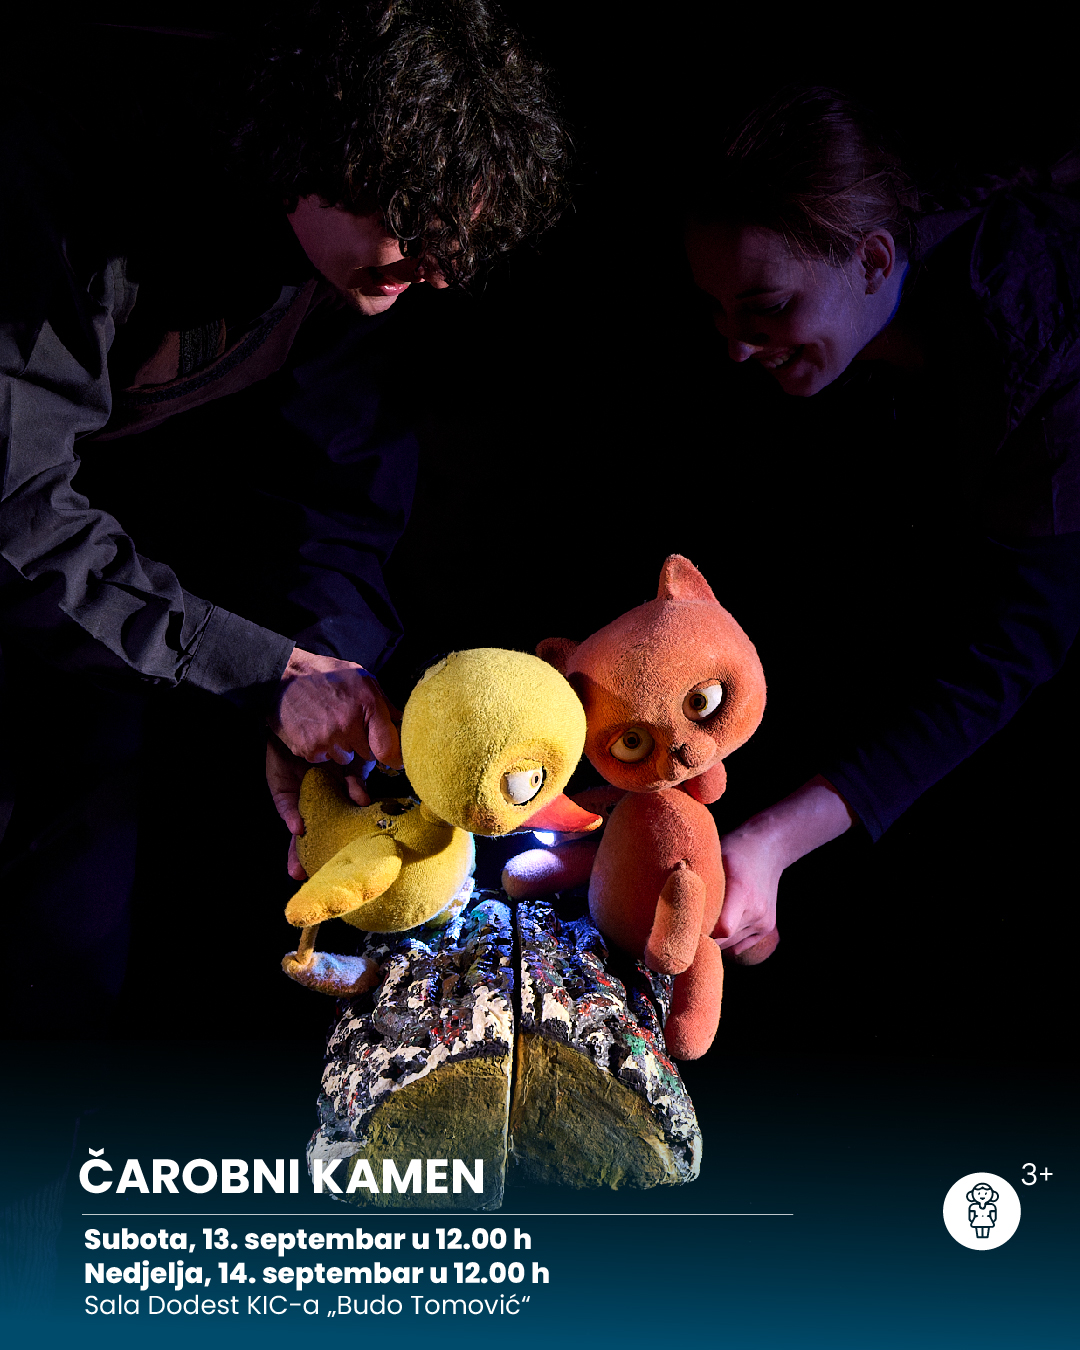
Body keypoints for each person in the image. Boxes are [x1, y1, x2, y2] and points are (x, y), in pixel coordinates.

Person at [0, 3, 569, 1033]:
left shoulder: (359, 272)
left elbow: (343, 491)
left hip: (90, 639)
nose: (437, 269)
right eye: (416, 228)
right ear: (330, 145)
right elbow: (12, 506)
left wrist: (325, 687)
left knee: (68, 970)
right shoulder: (65, 175)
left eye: (454, 243)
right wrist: (260, 673)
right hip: (34, 567)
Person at [682, 86, 1080, 961]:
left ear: (872, 259)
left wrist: (773, 841)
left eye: (765, 305)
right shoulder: (844, 316)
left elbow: (1011, 653)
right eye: (717, 308)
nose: (736, 345)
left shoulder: (1044, 356)